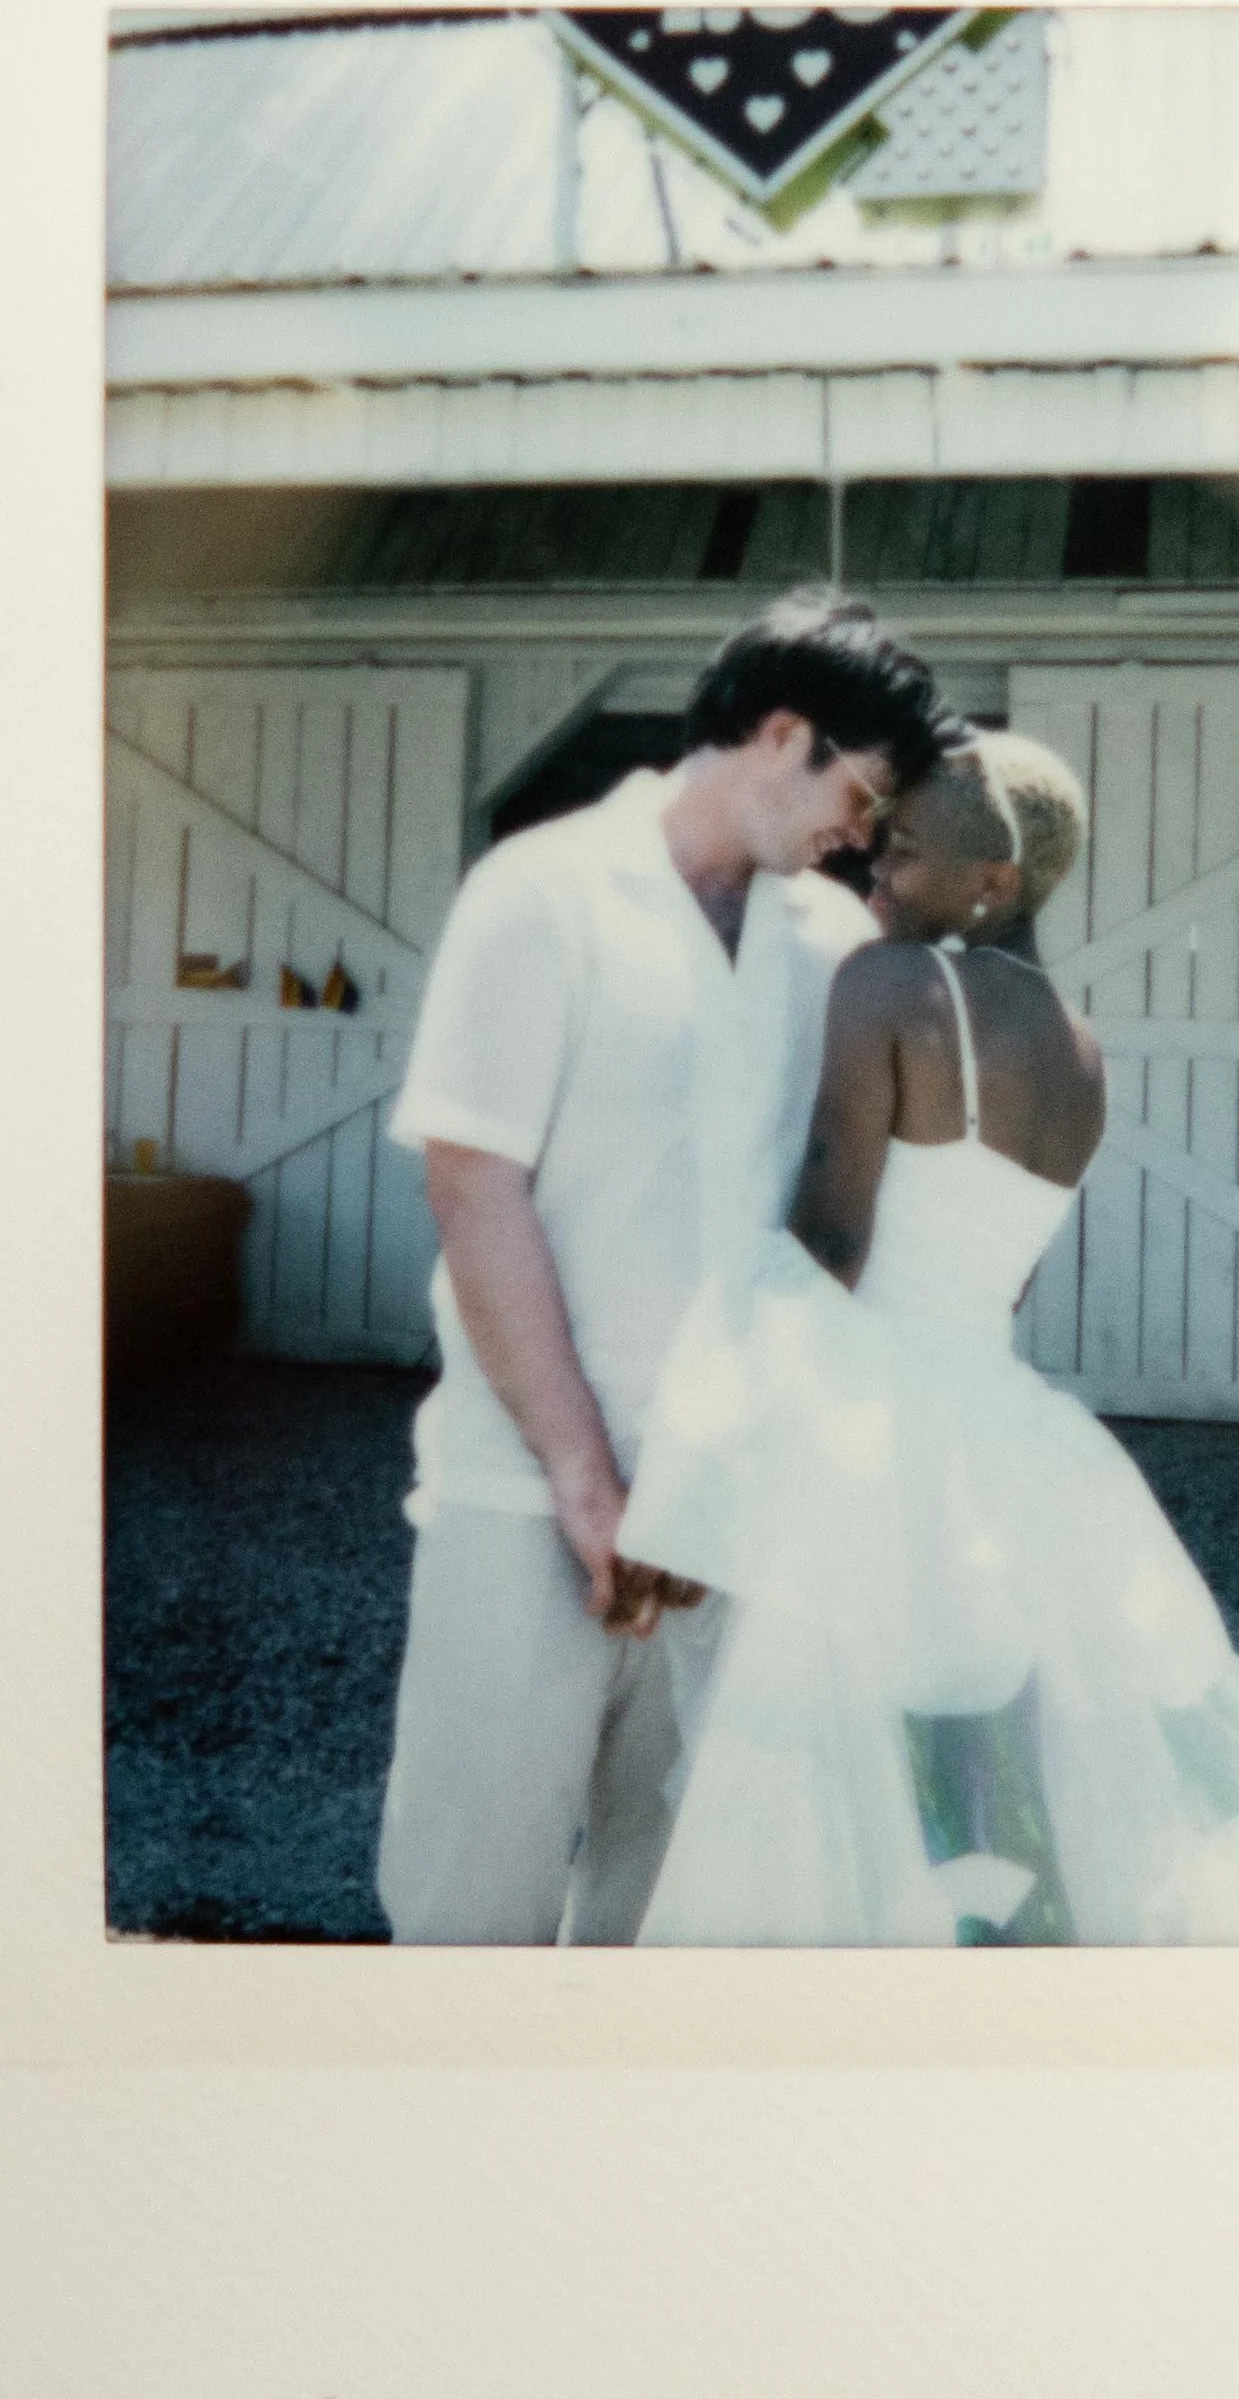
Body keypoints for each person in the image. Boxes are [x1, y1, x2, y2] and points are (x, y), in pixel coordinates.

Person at [619, 730, 1239, 1945]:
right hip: (1001, 1438)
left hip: (873, 1428)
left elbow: (830, 1248)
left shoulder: (890, 987)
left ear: (992, 878)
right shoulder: (1078, 1047)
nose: (876, 875)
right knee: (992, 1775)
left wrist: (712, 1453)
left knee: (839, 1777)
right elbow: (998, 1288)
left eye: (902, 852)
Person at [375, 590, 953, 1944]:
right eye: (858, 793)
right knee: (474, 1890)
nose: (860, 837)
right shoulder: (541, 890)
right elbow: (473, 1184)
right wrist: (585, 1476)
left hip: (723, 1508)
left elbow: (834, 1221)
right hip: (523, 1489)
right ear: (779, 731)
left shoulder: (830, 944)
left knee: (674, 1892)